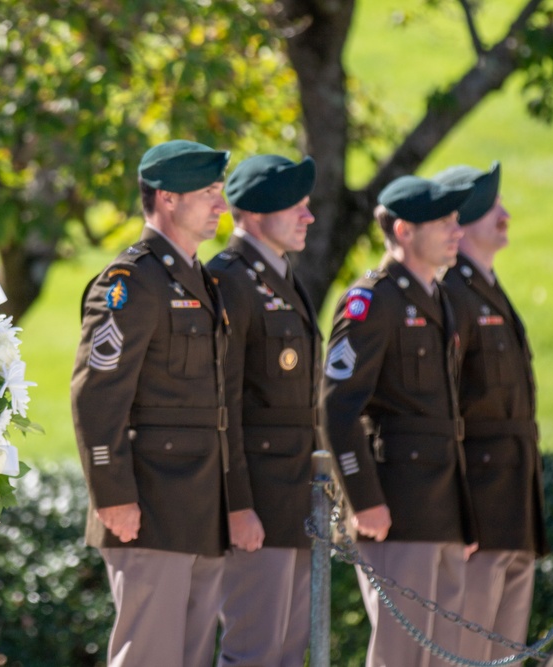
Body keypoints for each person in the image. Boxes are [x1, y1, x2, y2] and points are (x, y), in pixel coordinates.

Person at [70, 139, 231, 667]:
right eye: (208, 192)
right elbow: (96, 394)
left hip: (201, 509)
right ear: (166, 198)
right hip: (149, 507)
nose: (221, 204)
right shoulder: (130, 282)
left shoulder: (198, 280)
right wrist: (111, 493)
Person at [319, 175, 478, 667]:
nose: (458, 231)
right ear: (405, 230)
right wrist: (364, 501)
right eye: (444, 222)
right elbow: (338, 406)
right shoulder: (373, 300)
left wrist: (464, 515)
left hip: (443, 509)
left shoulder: (439, 298)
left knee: (442, 657)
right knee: (401, 657)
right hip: (397, 510)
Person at [205, 154, 320, 667]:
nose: (309, 216)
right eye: (294, 205)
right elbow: (222, 402)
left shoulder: (282, 278)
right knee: (254, 652)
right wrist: (237, 504)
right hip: (257, 503)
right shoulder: (230, 279)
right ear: (250, 215)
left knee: (288, 652)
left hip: (292, 499)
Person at [433, 162, 551, 661]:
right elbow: (440, 409)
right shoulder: (451, 294)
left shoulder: (487, 288)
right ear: (458, 221)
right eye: (490, 207)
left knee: (501, 652)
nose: (504, 215)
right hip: (477, 508)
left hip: (511, 504)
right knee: (466, 651)